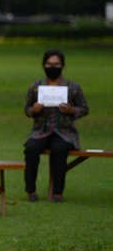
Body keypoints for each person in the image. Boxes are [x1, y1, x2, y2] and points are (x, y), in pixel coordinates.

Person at [23, 50, 89, 203]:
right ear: (44, 66)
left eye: (56, 64)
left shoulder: (73, 87)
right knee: (31, 148)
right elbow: (27, 109)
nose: (52, 67)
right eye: (49, 64)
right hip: (41, 131)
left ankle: (57, 192)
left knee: (59, 150)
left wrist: (71, 110)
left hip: (65, 132)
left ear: (62, 66)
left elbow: (85, 108)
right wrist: (34, 110)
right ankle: (30, 190)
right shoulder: (35, 87)